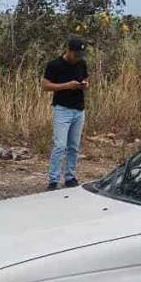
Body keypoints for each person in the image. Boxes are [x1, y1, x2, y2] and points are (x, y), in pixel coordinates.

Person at [42, 37, 89, 190]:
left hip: (79, 109)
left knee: (73, 146)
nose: (78, 58)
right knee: (60, 145)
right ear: (68, 50)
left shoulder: (81, 63)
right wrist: (67, 86)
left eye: (80, 55)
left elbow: (85, 77)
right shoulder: (54, 65)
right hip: (62, 109)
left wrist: (84, 84)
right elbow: (46, 85)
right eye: (75, 55)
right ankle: (53, 179)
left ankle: (70, 176)